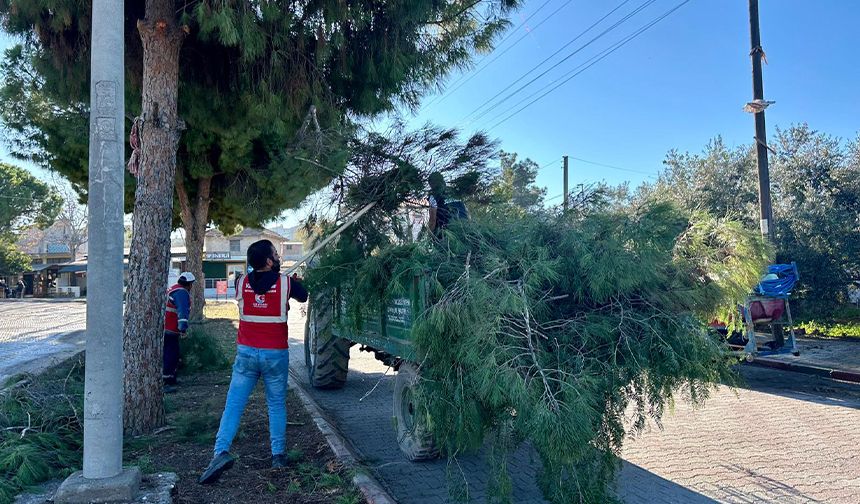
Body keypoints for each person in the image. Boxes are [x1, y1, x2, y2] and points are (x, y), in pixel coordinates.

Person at [198, 239, 308, 484]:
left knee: (233, 405)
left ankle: (220, 452)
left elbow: (259, 287)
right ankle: (278, 455)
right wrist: (295, 283)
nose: (278, 257)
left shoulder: (240, 283)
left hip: (246, 354)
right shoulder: (286, 284)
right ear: (269, 261)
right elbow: (304, 295)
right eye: (274, 255)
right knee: (276, 404)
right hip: (274, 356)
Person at [163, 272, 195, 389]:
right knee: (171, 354)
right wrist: (183, 329)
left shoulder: (173, 289)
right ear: (189, 284)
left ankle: (170, 377)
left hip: (165, 327)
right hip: (170, 328)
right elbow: (182, 312)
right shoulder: (182, 293)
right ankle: (167, 380)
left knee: (169, 353)